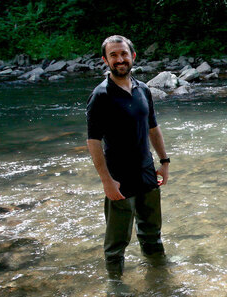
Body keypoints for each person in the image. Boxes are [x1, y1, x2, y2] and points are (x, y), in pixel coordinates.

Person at [86, 35, 170, 278]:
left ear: (132, 56)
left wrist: (164, 163)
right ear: (105, 60)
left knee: (152, 232)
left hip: (147, 172)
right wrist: (106, 181)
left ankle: (160, 277)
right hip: (119, 177)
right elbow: (93, 142)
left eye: (123, 54)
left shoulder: (143, 89)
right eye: (113, 55)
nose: (119, 59)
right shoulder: (101, 95)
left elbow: (153, 128)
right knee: (116, 242)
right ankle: (116, 286)